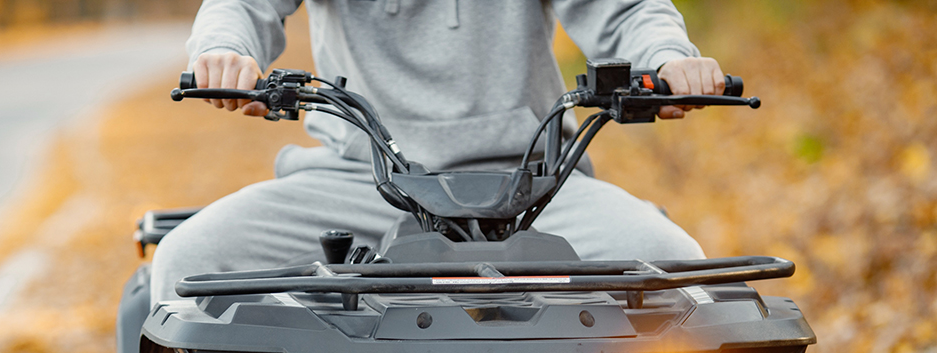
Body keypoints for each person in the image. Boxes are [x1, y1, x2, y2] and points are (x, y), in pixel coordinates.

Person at [150, 0, 727, 307]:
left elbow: (626, 10)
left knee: (668, 261)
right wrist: (224, 51)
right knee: (189, 262)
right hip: (360, 178)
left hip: (531, 186)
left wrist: (668, 55)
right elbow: (239, 6)